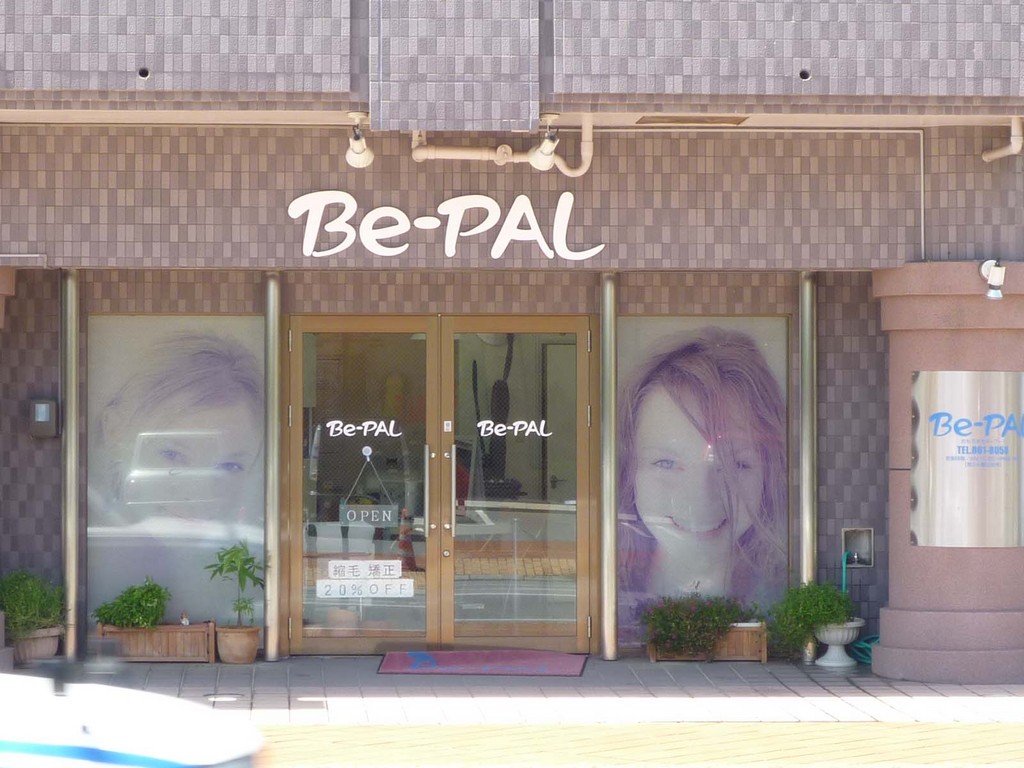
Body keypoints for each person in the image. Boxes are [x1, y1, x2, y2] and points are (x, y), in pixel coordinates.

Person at [87, 329, 265, 625]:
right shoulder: (92, 543)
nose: (199, 493)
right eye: (172, 454)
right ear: (114, 430)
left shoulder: (246, 554)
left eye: (229, 466)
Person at [618, 326, 788, 635]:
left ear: (768, 474)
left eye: (733, 464)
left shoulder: (783, 604)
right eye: (666, 463)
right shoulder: (605, 597)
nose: (700, 498)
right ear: (629, 472)